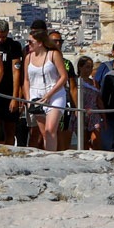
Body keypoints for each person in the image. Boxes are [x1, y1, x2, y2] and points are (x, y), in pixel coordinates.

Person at [21, 22, 72, 150]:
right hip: (36, 94)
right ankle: (48, 155)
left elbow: (63, 76)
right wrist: (28, 100)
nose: (29, 44)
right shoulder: (28, 57)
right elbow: (26, 80)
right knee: (44, 132)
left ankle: (52, 157)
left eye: (31, 42)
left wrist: (49, 94)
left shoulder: (53, 54)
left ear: (40, 43)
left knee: (50, 129)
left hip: (54, 93)